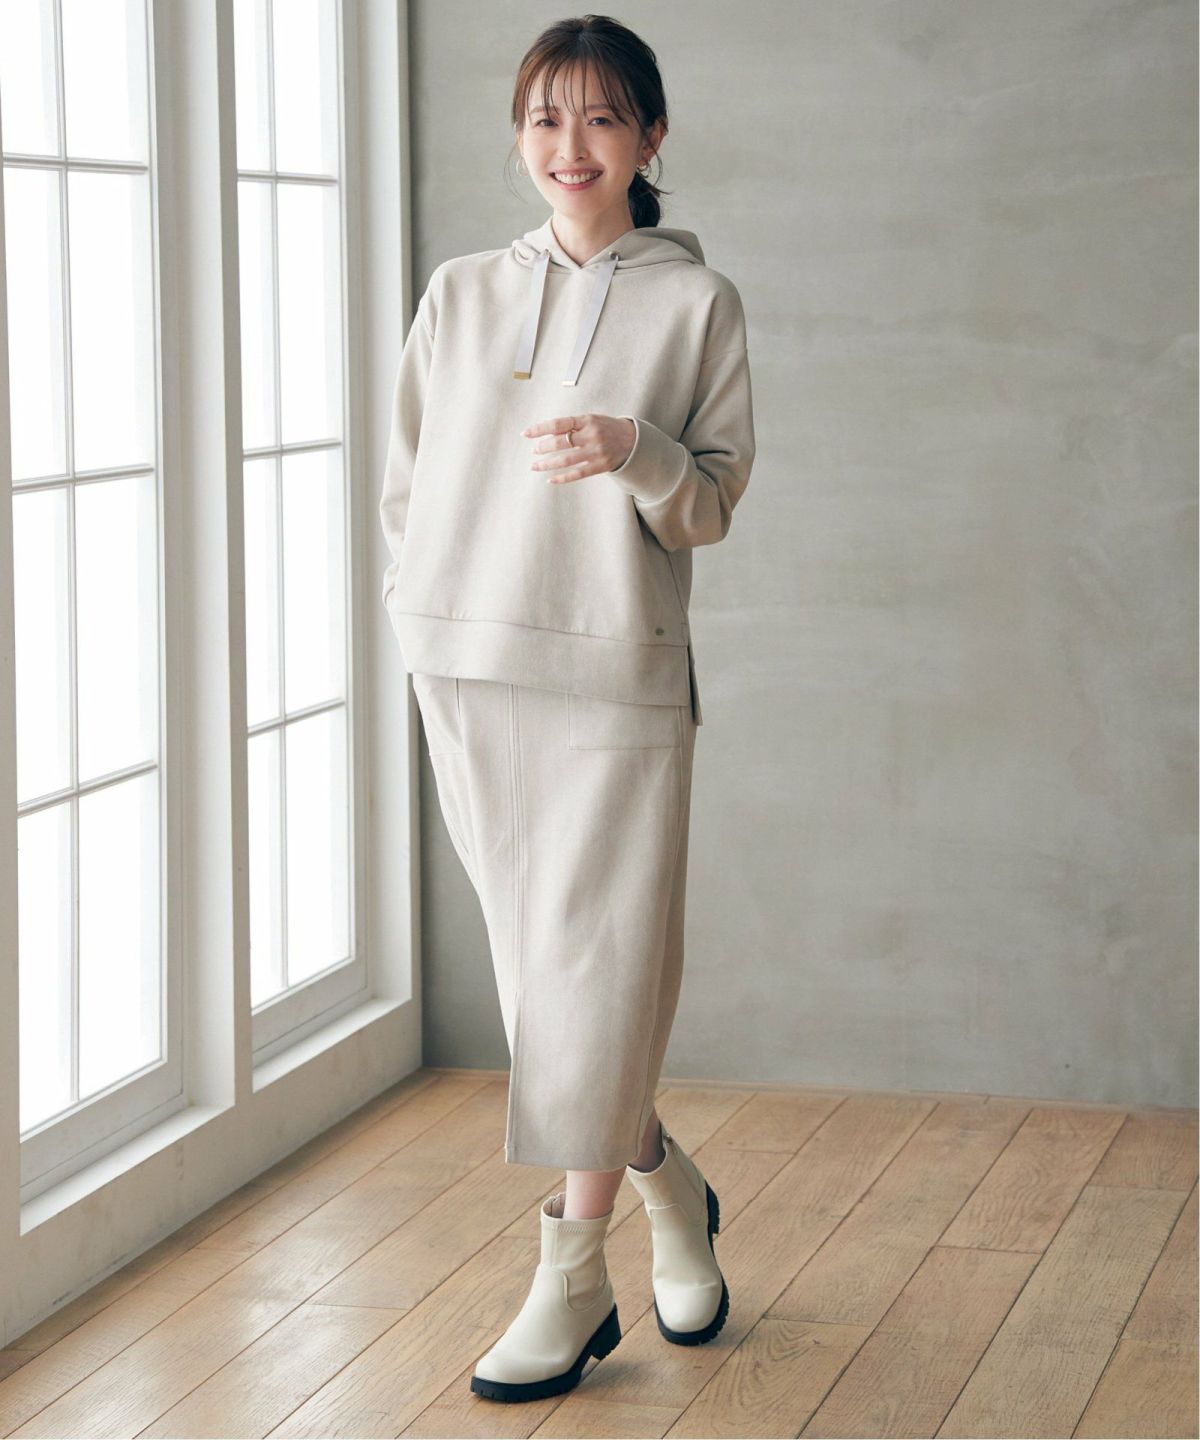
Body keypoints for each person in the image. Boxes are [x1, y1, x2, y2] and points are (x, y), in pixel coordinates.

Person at [378, 13, 755, 1404]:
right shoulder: (462, 291)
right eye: (546, 117)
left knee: (591, 980)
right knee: (553, 992)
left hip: (615, 672)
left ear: (650, 137)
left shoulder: (697, 305)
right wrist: (417, 610)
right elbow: (405, 483)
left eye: (600, 118)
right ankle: (668, 1188)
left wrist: (634, 446)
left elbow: (710, 503)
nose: (570, 145)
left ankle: (572, 1274)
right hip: (466, 665)